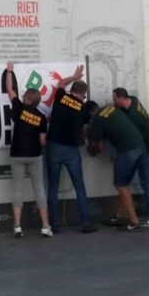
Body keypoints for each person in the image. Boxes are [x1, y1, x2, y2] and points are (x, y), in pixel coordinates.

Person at [44, 64, 96, 233]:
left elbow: (60, 83)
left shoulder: (61, 97)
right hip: (71, 148)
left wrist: (75, 76)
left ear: (72, 90)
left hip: (53, 146)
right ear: (82, 94)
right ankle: (86, 223)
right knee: (79, 185)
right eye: (84, 95)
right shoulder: (83, 108)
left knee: (53, 186)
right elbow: (85, 129)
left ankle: (54, 224)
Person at [3, 62, 52, 238]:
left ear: (26, 99)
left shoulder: (18, 108)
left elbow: (9, 89)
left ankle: (17, 226)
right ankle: (45, 226)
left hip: (17, 154)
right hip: (34, 155)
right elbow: (43, 142)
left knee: (17, 190)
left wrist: (9, 72)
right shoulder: (41, 117)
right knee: (39, 189)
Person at [86, 102, 145, 231]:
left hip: (127, 151)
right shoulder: (111, 109)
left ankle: (134, 221)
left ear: (90, 113)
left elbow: (100, 148)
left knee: (120, 185)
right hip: (140, 147)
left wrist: (91, 144)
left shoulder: (97, 119)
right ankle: (119, 215)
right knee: (125, 184)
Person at [113, 87, 149, 227]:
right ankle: (125, 213)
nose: (113, 102)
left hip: (147, 147)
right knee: (133, 180)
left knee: (145, 180)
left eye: (115, 99)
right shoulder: (133, 100)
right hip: (147, 145)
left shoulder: (133, 115)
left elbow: (132, 135)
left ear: (121, 98)